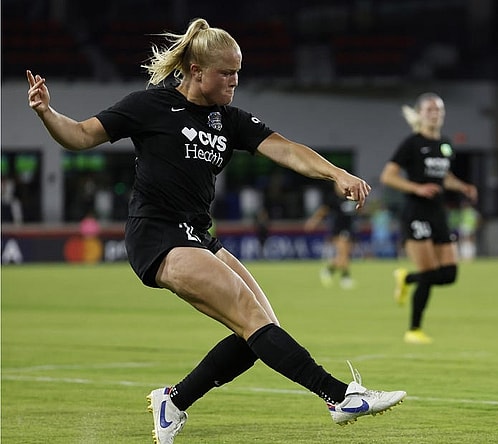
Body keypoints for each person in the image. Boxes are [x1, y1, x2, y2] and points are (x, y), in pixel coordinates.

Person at [26, 18, 405, 444]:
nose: (234, 81)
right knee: (253, 322)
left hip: (197, 234)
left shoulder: (228, 120)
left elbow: (286, 149)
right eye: (226, 73)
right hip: (157, 235)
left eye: (238, 73)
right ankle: (340, 397)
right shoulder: (149, 106)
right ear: (195, 70)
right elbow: (78, 136)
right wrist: (46, 112)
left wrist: (335, 173)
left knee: (260, 332)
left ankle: (174, 401)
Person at [380, 92, 477, 344]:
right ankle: (413, 330)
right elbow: (388, 176)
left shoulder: (444, 144)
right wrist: (417, 188)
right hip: (416, 213)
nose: (435, 114)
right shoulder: (412, 143)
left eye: (439, 110)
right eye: (430, 109)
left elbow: (443, 176)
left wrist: (462, 186)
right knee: (430, 271)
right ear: (420, 114)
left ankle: (406, 278)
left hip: (438, 213)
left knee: (449, 274)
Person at [304, 184, 358, 289]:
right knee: (343, 254)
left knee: (345, 255)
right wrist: (313, 221)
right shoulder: (333, 199)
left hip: (349, 229)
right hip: (338, 230)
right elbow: (323, 211)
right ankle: (345, 278)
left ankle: (329, 271)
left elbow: (356, 211)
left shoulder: (351, 197)